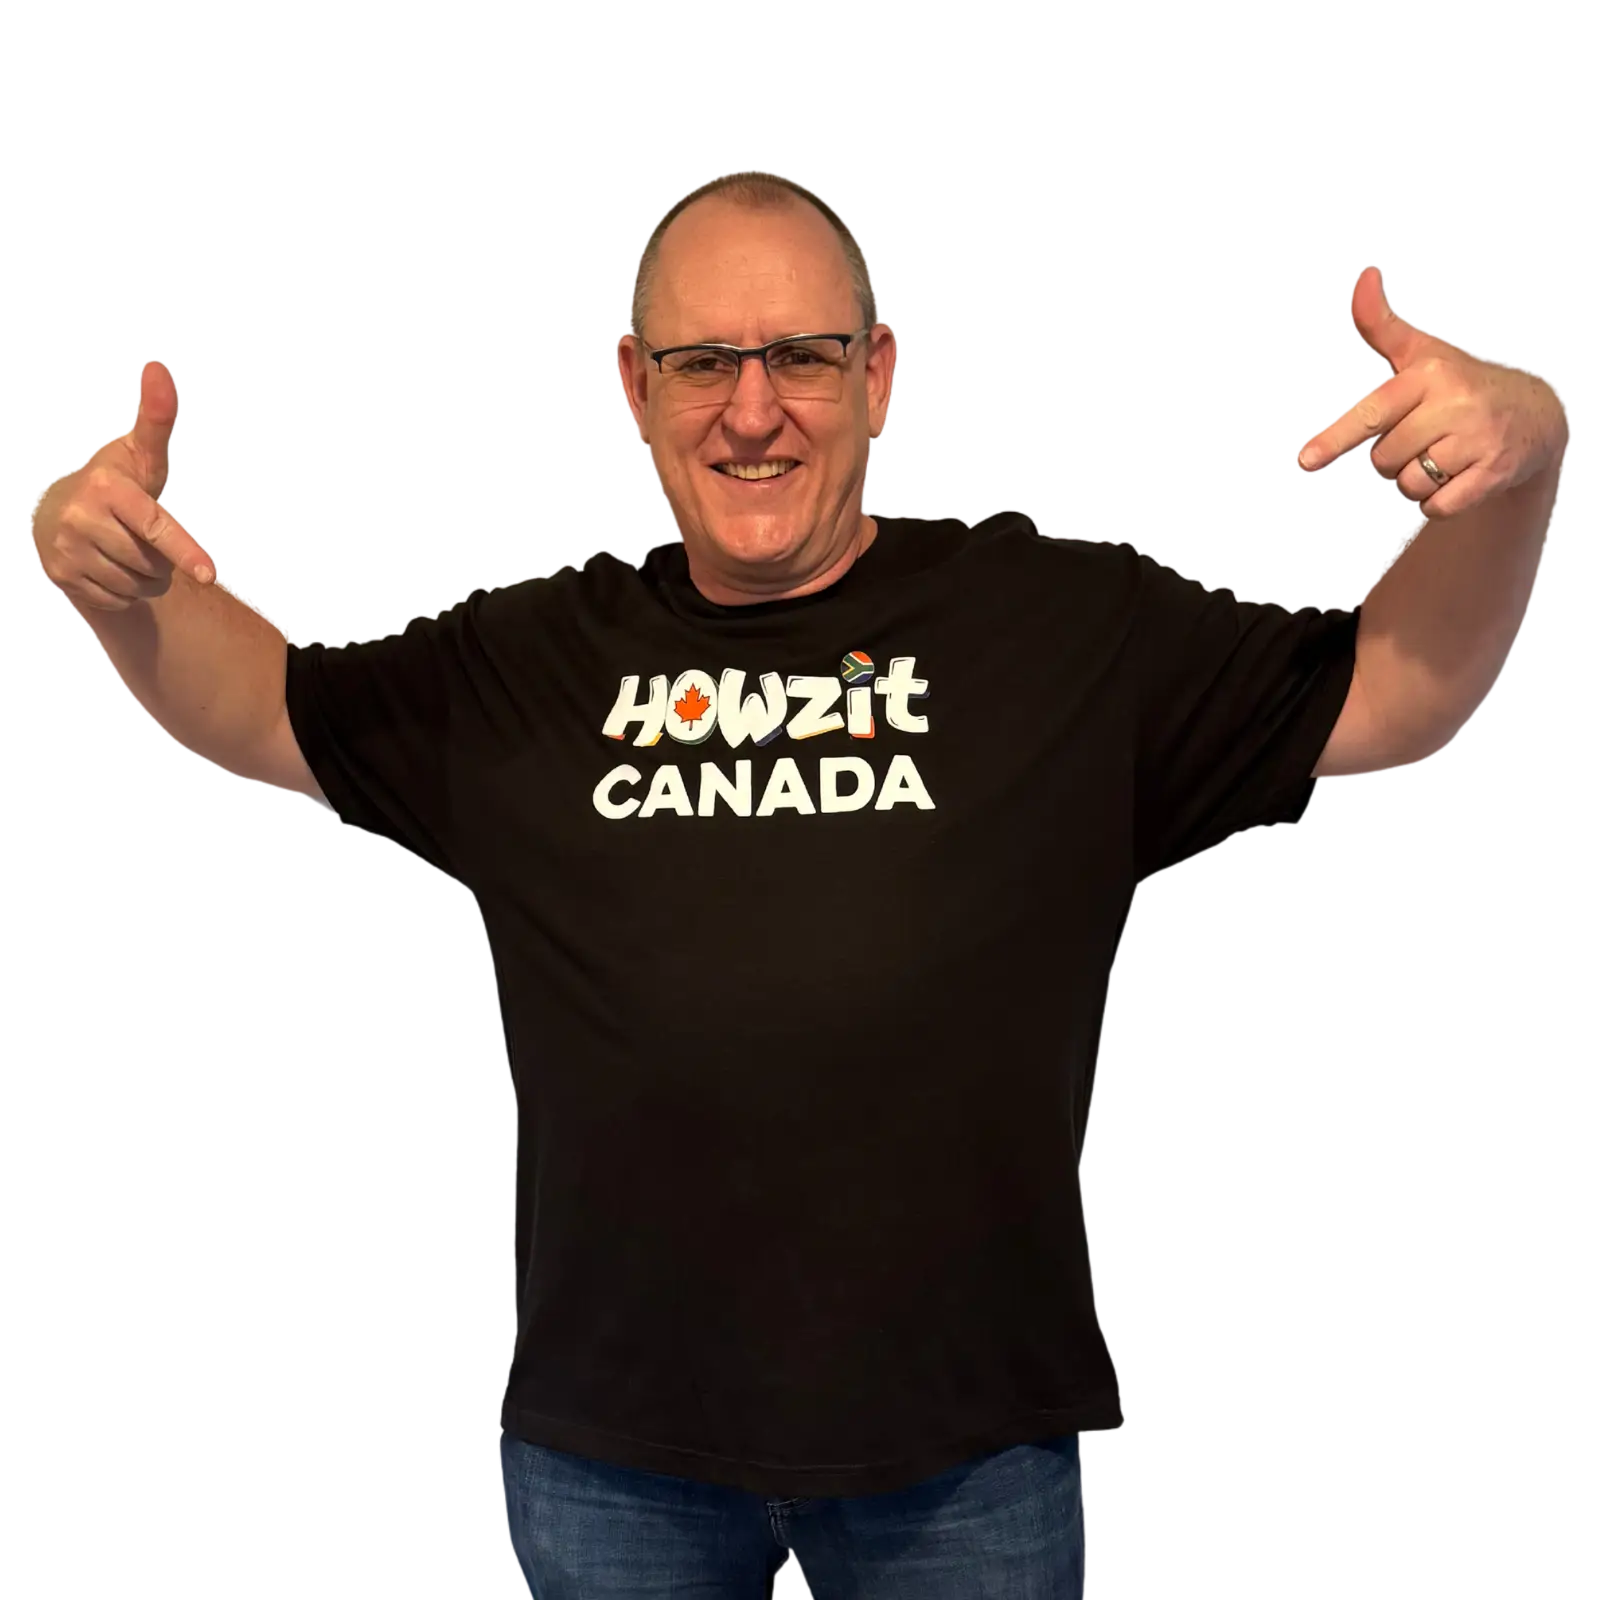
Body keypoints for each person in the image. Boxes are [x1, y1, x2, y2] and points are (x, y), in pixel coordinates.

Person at [27, 169, 1375, 1598]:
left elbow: (1390, 698)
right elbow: (260, 709)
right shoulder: (531, 659)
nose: (751, 410)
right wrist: (116, 583)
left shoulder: (1061, 623)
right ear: (634, 384)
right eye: (702, 363)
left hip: (970, 1460)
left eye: (799, 355)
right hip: (612, 1465)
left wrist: (1526, 467)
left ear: (879, 376)